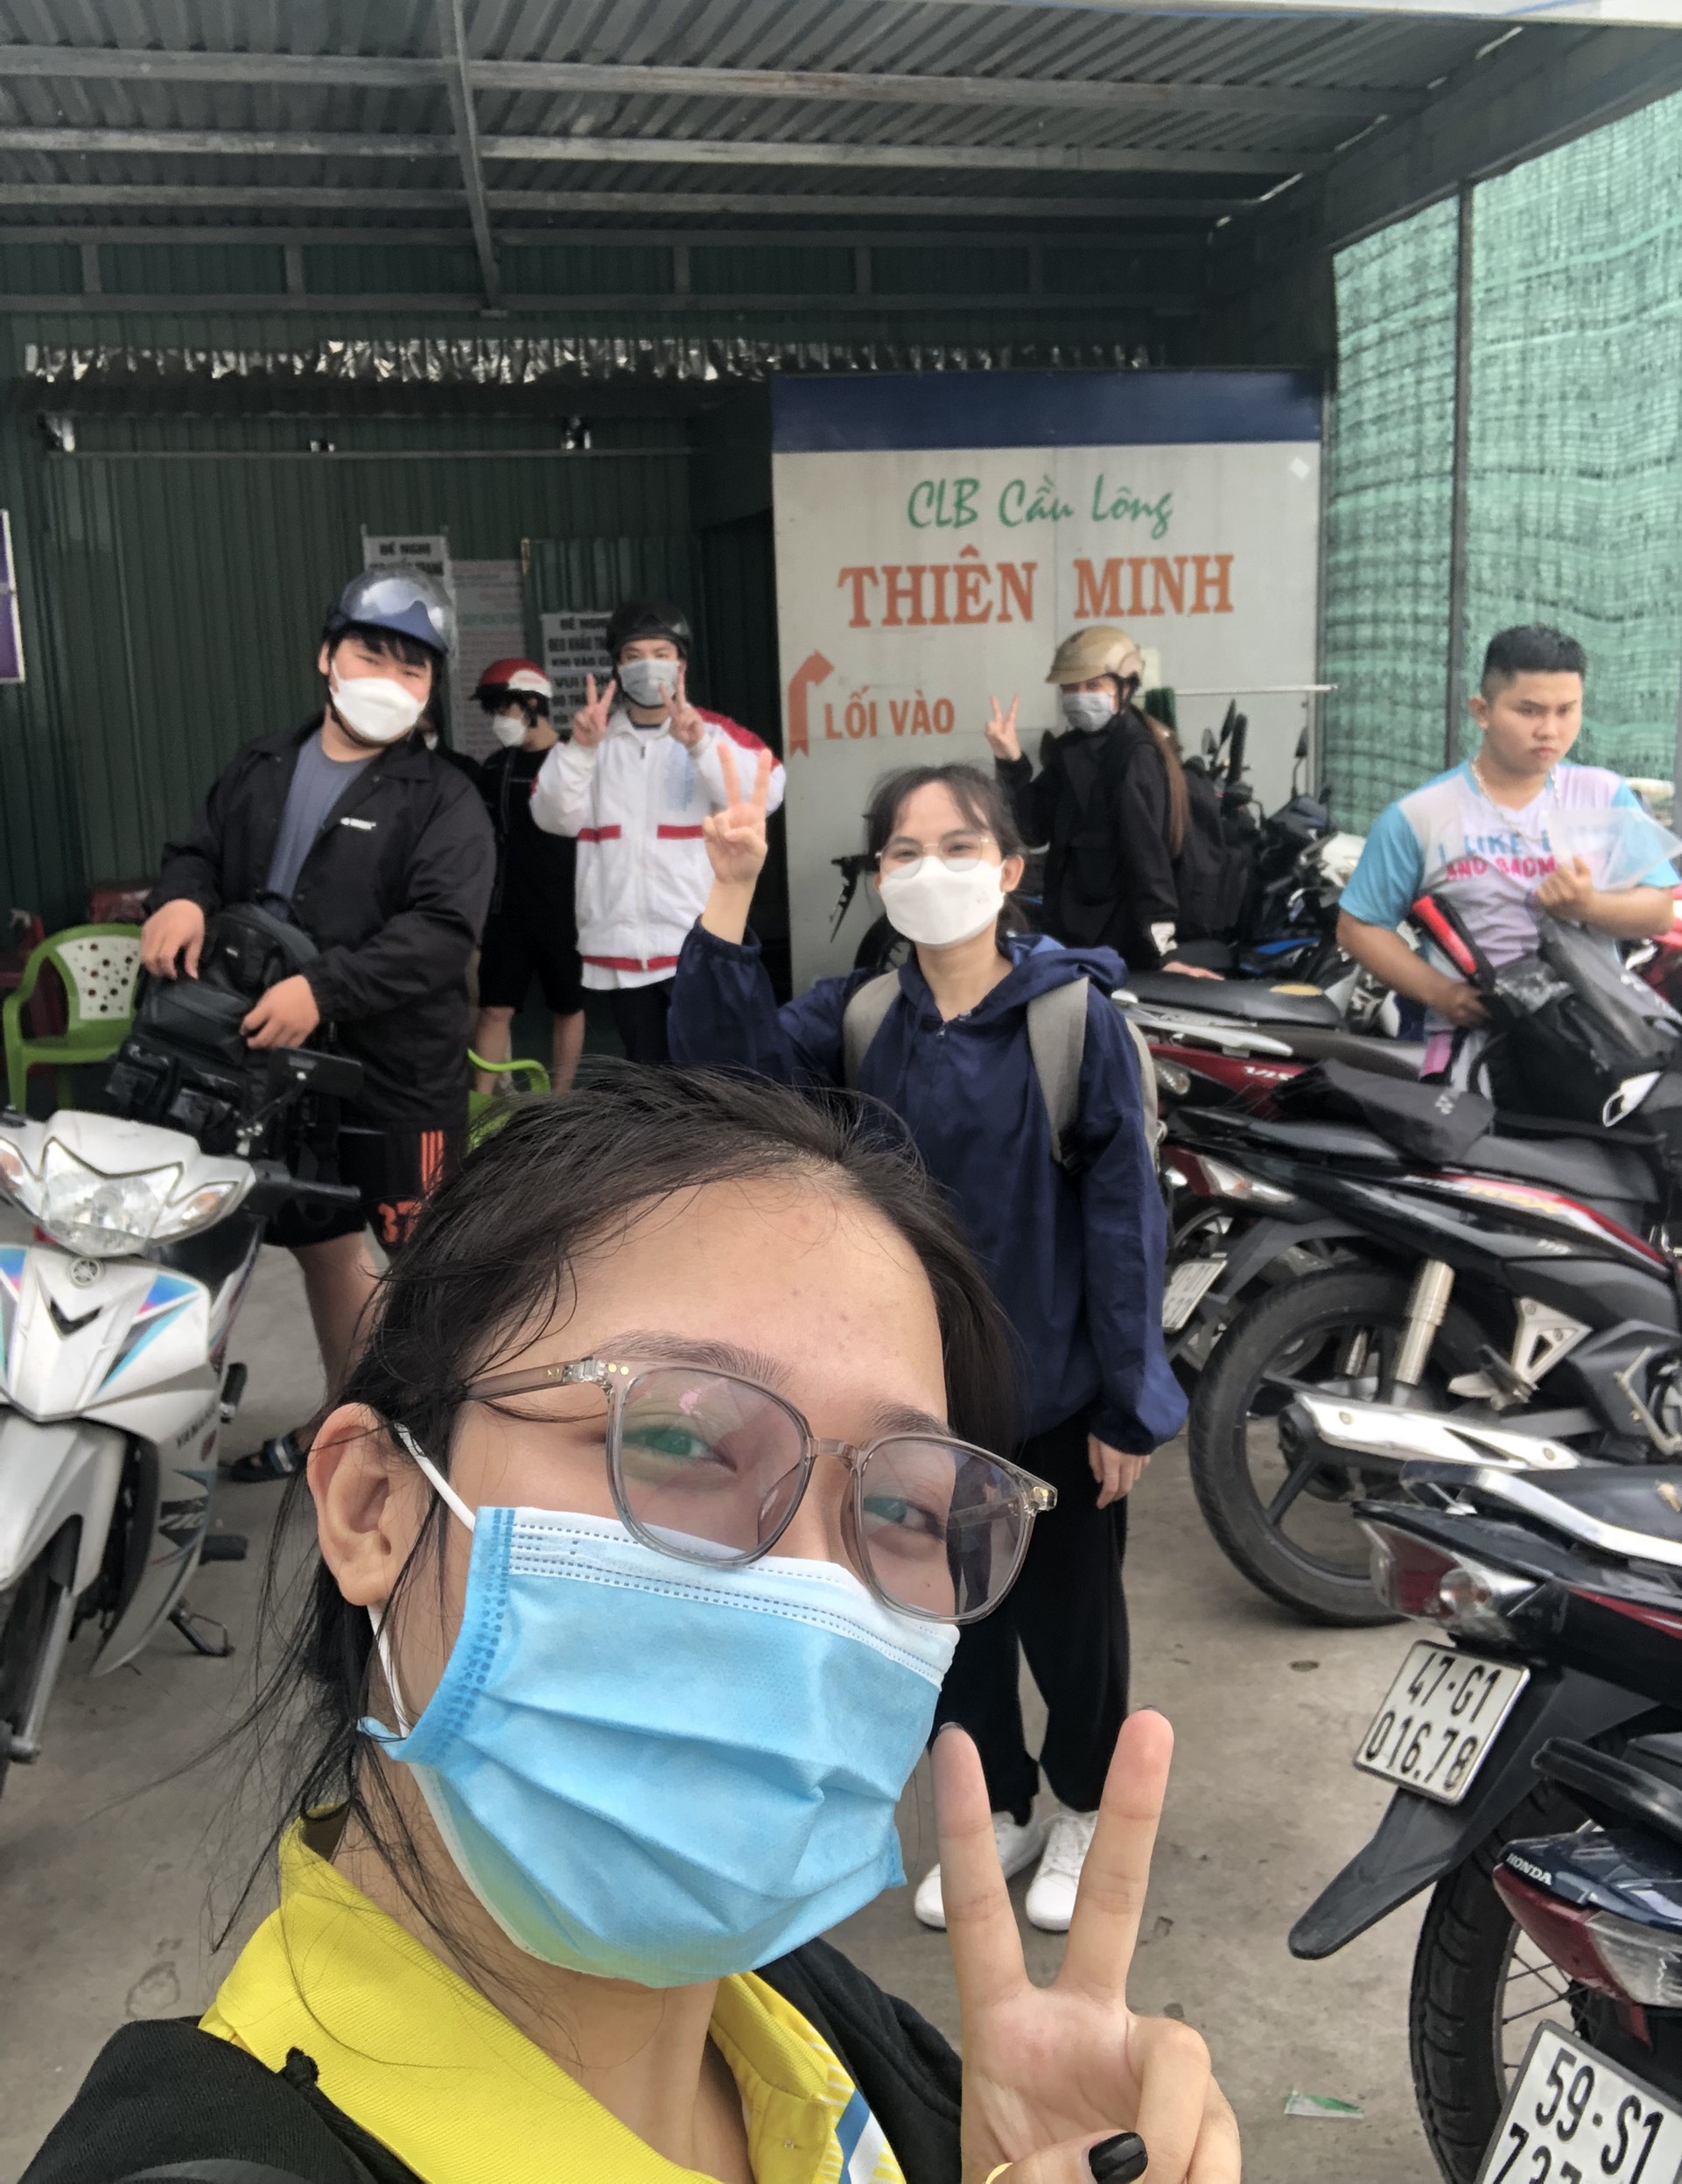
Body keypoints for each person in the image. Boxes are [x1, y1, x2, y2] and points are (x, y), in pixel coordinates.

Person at [20, 1074, 1238, 2184]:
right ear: (373, 1506)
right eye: (678, 1439)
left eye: (905, 1507)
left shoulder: (815, 2030)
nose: (812, 1588)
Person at [668, 753, 1186, 1936]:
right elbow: (725, 1084)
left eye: (958, 847)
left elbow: (1123, 1224)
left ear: (1007, 869)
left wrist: (1130, 1403)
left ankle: (1086, 1805)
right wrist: (730, 890)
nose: (930, 870)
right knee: (949, 1620)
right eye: (904, 850)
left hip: (1053, 1397)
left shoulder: (1070, 1023)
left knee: (1072, 1621)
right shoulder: (858, 1018)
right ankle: (993, 1802)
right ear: (877, 874)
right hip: (916, 1402)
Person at [138, 569, 495, 1483]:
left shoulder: (444, 798)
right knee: (314, 1245)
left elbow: (440, 932)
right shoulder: (259, 767)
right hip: (262, 1066)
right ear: (327, 656)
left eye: (413, 667)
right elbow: (196, 853)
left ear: (431, 688)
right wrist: (180, 897)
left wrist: (323, 991)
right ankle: (332, 1426)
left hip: (391, 1075)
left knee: (417, 1262)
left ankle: (424, 1440)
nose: (389, 679)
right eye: (372, 653)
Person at [1338, 622, 1678, 1084]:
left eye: (1566, 710)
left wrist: (1588, 906)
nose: (1550, 730)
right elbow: (1359, 926)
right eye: (1529, 710)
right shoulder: (1421, 815)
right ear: (1482, 710)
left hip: (1593, 1046)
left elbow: (1658, 912)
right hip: (1474, 1056)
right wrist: (1441, 993)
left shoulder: (1605, 796)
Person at [530, 594, 785, 1064]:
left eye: (661, 654)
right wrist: (582, 750)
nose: (647, 665)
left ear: (681, 665)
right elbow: (552, 817)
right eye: (633, 655)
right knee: (651, 1080)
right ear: (617, 667)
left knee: (712, 1076)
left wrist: (699, 745)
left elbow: (765, 793)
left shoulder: (713, 732)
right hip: (623, 952)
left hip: (698, 944)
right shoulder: (590, 742)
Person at [986, 626, 1198, 973]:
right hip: (1071, 936)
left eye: (1093, 685)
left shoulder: (1133, 756)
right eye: (1070, 688)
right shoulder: (1070, 750)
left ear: (1125, 688)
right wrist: (1011, 760)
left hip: (1119, 947)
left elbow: (1148, 859)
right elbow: (1032, 828)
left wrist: (1164, 952)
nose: (1079, 696)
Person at [471, 657, 586, 1097]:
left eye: (505, 707)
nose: (499, 718)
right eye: (494, 710)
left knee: (567, 1006)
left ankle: (559, 1103)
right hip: (508, 912)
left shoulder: (574, 761)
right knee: (494, 1010)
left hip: (565, 910)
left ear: (533, 703)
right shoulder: (495, 768)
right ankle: (481, 1106)